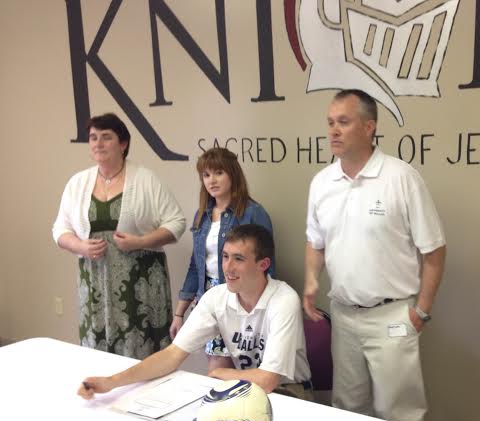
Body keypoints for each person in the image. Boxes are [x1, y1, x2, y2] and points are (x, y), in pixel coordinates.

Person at [304, 89, 446, 421]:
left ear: (369, 127)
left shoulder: (401, 178)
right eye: (330, 123)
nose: (333, 131)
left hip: (392, 317)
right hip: (344, 316)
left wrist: (421, 311)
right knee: (348, 410)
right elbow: (315, 242)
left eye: (343, 122)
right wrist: (311, 280)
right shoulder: (322, 183)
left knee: (400, 415)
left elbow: (434, 250)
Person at [78, 225, 312, 400]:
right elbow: (172, 355)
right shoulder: (216, 298)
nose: (228, 267)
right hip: (246, 390)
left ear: (263, 264)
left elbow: (268, 380)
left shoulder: (284, 299)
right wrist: (112, 382)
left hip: (290, 393)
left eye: (239, 259)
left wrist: (221, 372)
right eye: (225, 257)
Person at [53, 113, 186, 359]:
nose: (98, 143)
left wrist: (140, 242)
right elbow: (60, 230)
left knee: (141, 356)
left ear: (123, 143)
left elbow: (177, 223)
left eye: (106, 137)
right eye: (93, 138)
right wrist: (80, 247)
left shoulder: (145, 179)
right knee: (97, 356)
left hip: (140, 286)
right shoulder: (78, 183)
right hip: (95, 284)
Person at [170, 147, 274, 373]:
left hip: (243, 299)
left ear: (232, 174)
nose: (212, 180)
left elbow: (266, 267)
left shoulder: (253, 213)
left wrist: (261, 311)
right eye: (206, 175)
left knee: (245, 371)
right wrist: (179, 313)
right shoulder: (202, 215)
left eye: (219, 173)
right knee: (217, 371)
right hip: (209, 298)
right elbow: (196, 266)